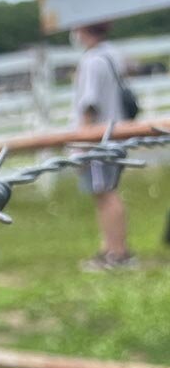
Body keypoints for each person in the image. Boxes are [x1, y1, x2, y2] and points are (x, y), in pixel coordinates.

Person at [71, 22, 137, 271]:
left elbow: (89, 104)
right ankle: (109, 247)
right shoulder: (111, 54)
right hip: (116, 134)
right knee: (107, 191)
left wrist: (82, 145)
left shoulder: (92, 60)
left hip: (98, 140)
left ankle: (117, 253)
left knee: (105, 195)